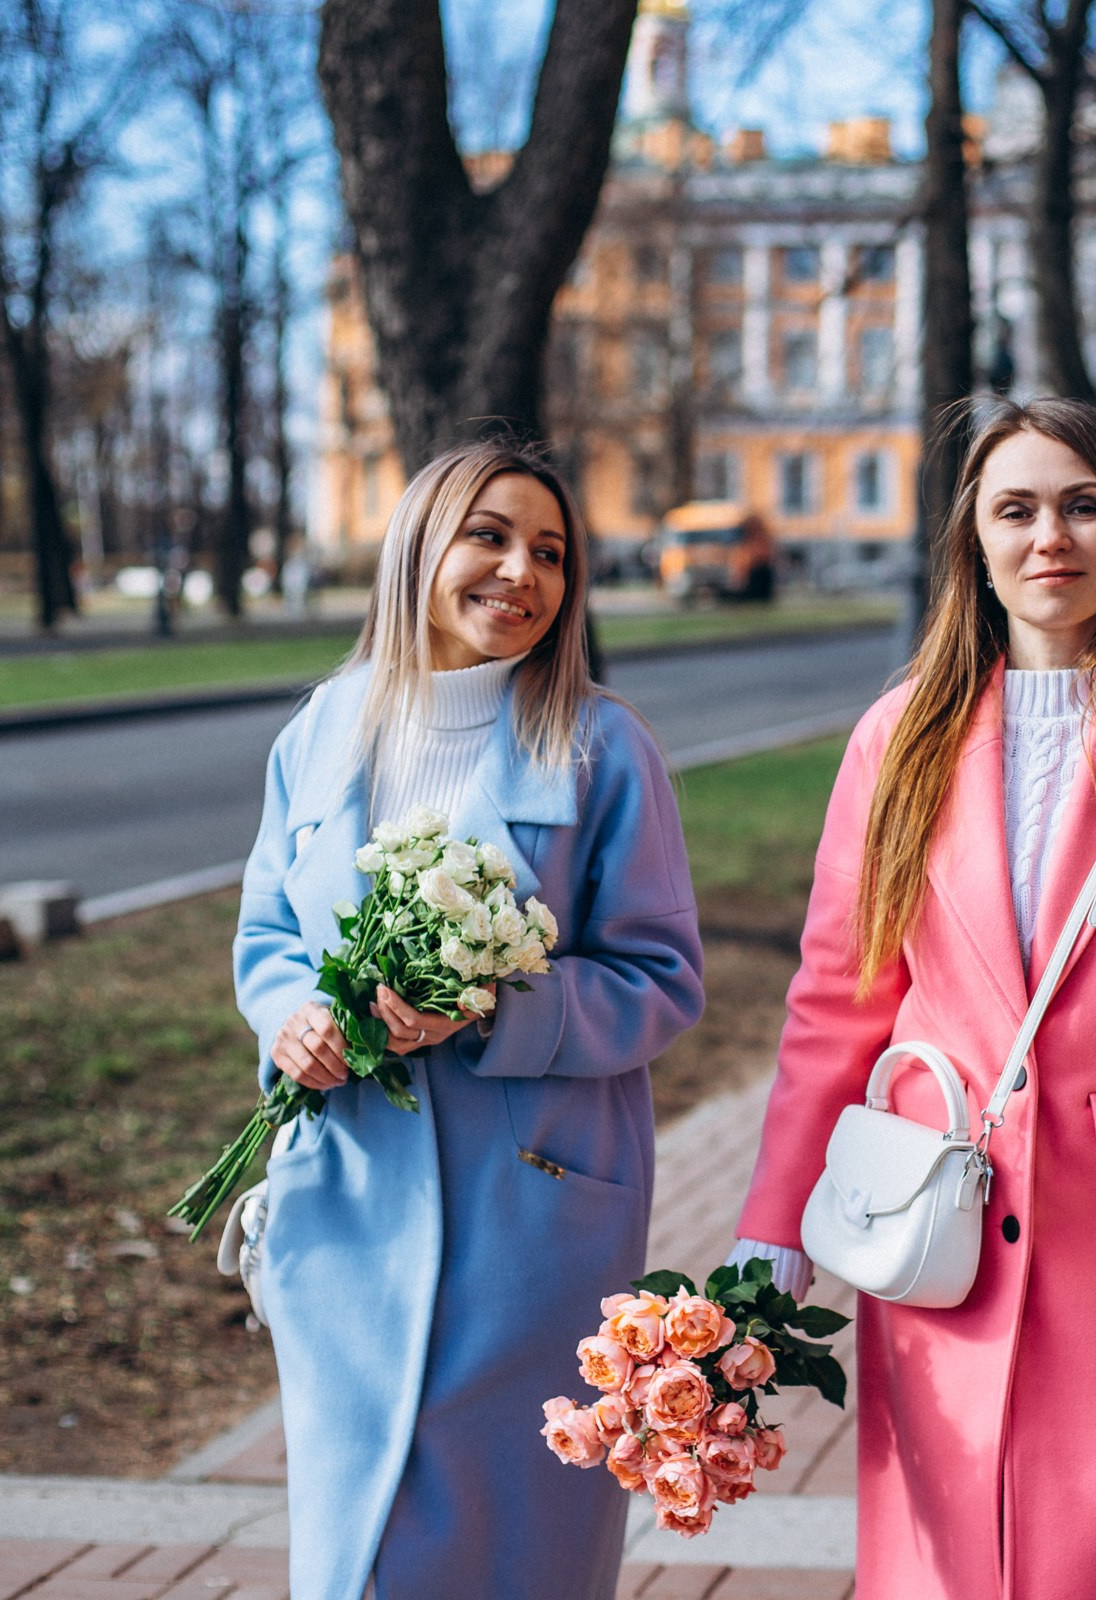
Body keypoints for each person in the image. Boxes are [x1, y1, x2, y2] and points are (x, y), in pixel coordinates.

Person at [726, 397, 1096, 1600]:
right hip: (940, 1222)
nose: (1053, 535)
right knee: (949, 1557)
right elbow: (838, 994)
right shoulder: (901, 741)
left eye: (1085, 504)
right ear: (976, 544)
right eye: (1019, 508)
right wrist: (775, 1220)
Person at [234, 438, 705, 1600]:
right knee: (358, 1545)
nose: (520, 572)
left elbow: (663, 977)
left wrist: (498, 1011)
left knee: (514, 1545)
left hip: (531, 1217)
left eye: (549, 551)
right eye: (488, 536)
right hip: (345, 1197)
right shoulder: (321, 731)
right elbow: (267, 938)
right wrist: (293, 1017)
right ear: (418, 550)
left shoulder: (602, 748)